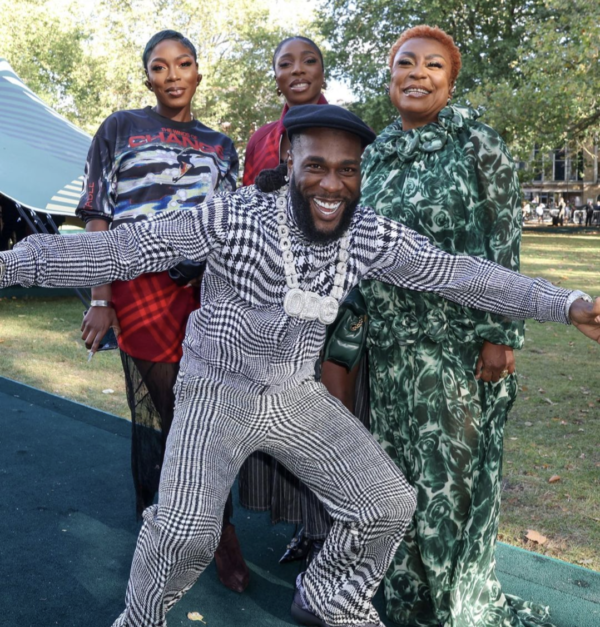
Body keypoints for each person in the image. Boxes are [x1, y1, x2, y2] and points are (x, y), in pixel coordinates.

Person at [2, 104, 599, 627]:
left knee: (386, 502)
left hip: (293, 395)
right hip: (216, 391)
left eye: (348, 170)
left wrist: (566, 302)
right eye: (316, 165)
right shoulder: (233, 219)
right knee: (185, 532)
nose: (331, 184)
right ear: (289, 159)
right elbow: (118, 249)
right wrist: (9, 267)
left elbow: (460, 273)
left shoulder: (369, 235)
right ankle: (140, 618)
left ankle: (330, 600)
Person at [357, 25, 555, 627]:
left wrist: (501, 335)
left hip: (457, 351)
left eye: (433, 66)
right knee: (398, 485)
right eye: (406, 63)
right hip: (389, 350)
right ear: (390, 76)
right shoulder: (373, 153)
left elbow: (504, 240)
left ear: (451, 79)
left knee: (451, 489)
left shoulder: (478, 144)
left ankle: (455, 610)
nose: (417, 74)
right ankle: (411, 604)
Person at [75, 30, 248, 592]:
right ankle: (212, 530)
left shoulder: (221, 145)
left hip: (205, 293)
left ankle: (193, 519)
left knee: (209, 411)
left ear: (199, 72)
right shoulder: (119, 128)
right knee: (177, 411)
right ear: (146, 76)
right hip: (138, 286)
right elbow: (98, 217)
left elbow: (232, 226)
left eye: (184, 64)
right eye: (160, 66)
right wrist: (101, 299)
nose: (173, 75)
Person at [240, 35, 331, 564]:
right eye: (284, 64)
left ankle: (327, 531)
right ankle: (299, 522)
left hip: (324, 292)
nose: (297, 71)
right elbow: (250, 211)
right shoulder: (260, 137)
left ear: (323, 71)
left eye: (309, 61)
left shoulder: (343, 125)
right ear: (274, 75)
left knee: (322, 411)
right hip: (269, 292)